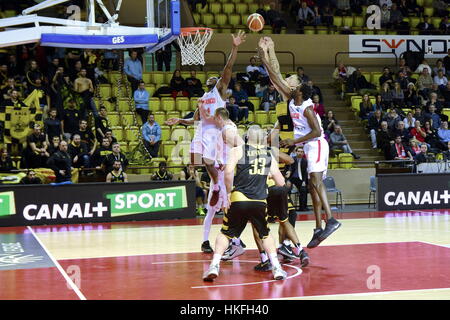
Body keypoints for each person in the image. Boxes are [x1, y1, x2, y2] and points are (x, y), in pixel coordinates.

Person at [258, 37, 341, 249]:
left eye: (291, 79)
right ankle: (318, 227)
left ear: (298, 87)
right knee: (312, 188)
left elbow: (316, 131)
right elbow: (274, 74)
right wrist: (267, 52)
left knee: (315, 183)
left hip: (317, 143)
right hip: (306, 145)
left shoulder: (306, 106)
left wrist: (294, 140)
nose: (288, 80)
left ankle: (330, 220)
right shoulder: (290, 98)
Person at [165, 31, 246, 208]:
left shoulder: (219, 91)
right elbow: (195, 120)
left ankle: (226, 192)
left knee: (222, 166)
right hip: (202, 130)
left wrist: (234, 47)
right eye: (211, 78)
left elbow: (228, 67)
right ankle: (216, 185)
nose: (213, 78)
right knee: (199, 160)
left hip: (217, 130)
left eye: (216, 78)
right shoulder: (202, 98)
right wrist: (179, 120)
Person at [202, 125, 288, 281]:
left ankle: (214, 266)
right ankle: (277, 268)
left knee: (225, 233)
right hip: (259, 201)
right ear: (262, 138)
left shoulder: (238, 150)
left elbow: (228, 173)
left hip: (239, 199)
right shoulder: (269, 154)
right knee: (265, 234)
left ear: (247, 137)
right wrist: (267, 177)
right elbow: (281, 182)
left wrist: (228, 193)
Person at [286, 146, 308, 211]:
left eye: (301, 152)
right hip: (292, 178)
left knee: (304, 190)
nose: (300, 153)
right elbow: (289, 168)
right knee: (287, 189)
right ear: (296, 152)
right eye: (298, 151)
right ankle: (289, 207)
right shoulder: (292, 159)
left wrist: (304, 181)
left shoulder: (305, 161)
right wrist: (288, 180)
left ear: (303, 153)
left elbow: (305, 173)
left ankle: (302, 207)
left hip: (300, 178)